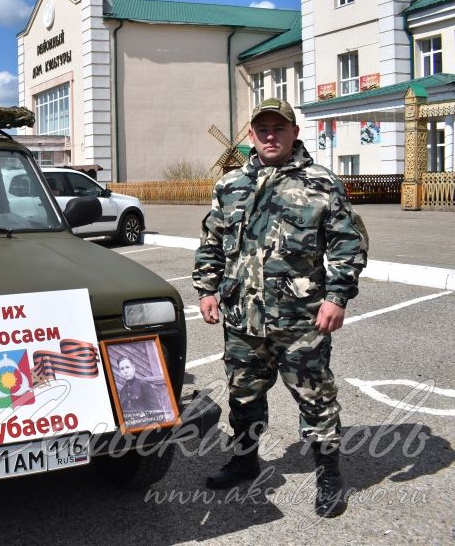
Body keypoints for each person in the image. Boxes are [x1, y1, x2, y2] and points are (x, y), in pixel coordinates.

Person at [192, 98, 368, 518]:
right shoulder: (230, 185)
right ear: (251, 135)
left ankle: (328, 473)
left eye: (279, 128)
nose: (270, 136)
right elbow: (212, 241)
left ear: (294, 132)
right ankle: (245, 460)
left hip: (302, 318)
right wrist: (207, 288)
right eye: (262, 129)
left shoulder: (321, 183)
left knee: (316, 397)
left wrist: (336, 296)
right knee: (243, 394)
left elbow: (348, 243)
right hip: (242, 317)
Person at [115, 356, 165, 421]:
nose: (125, 371)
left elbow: (156, 411)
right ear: (120, 372)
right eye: (122, 369)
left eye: (127, 367)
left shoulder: (144, 385)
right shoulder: (122, 392)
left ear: (133, 368)